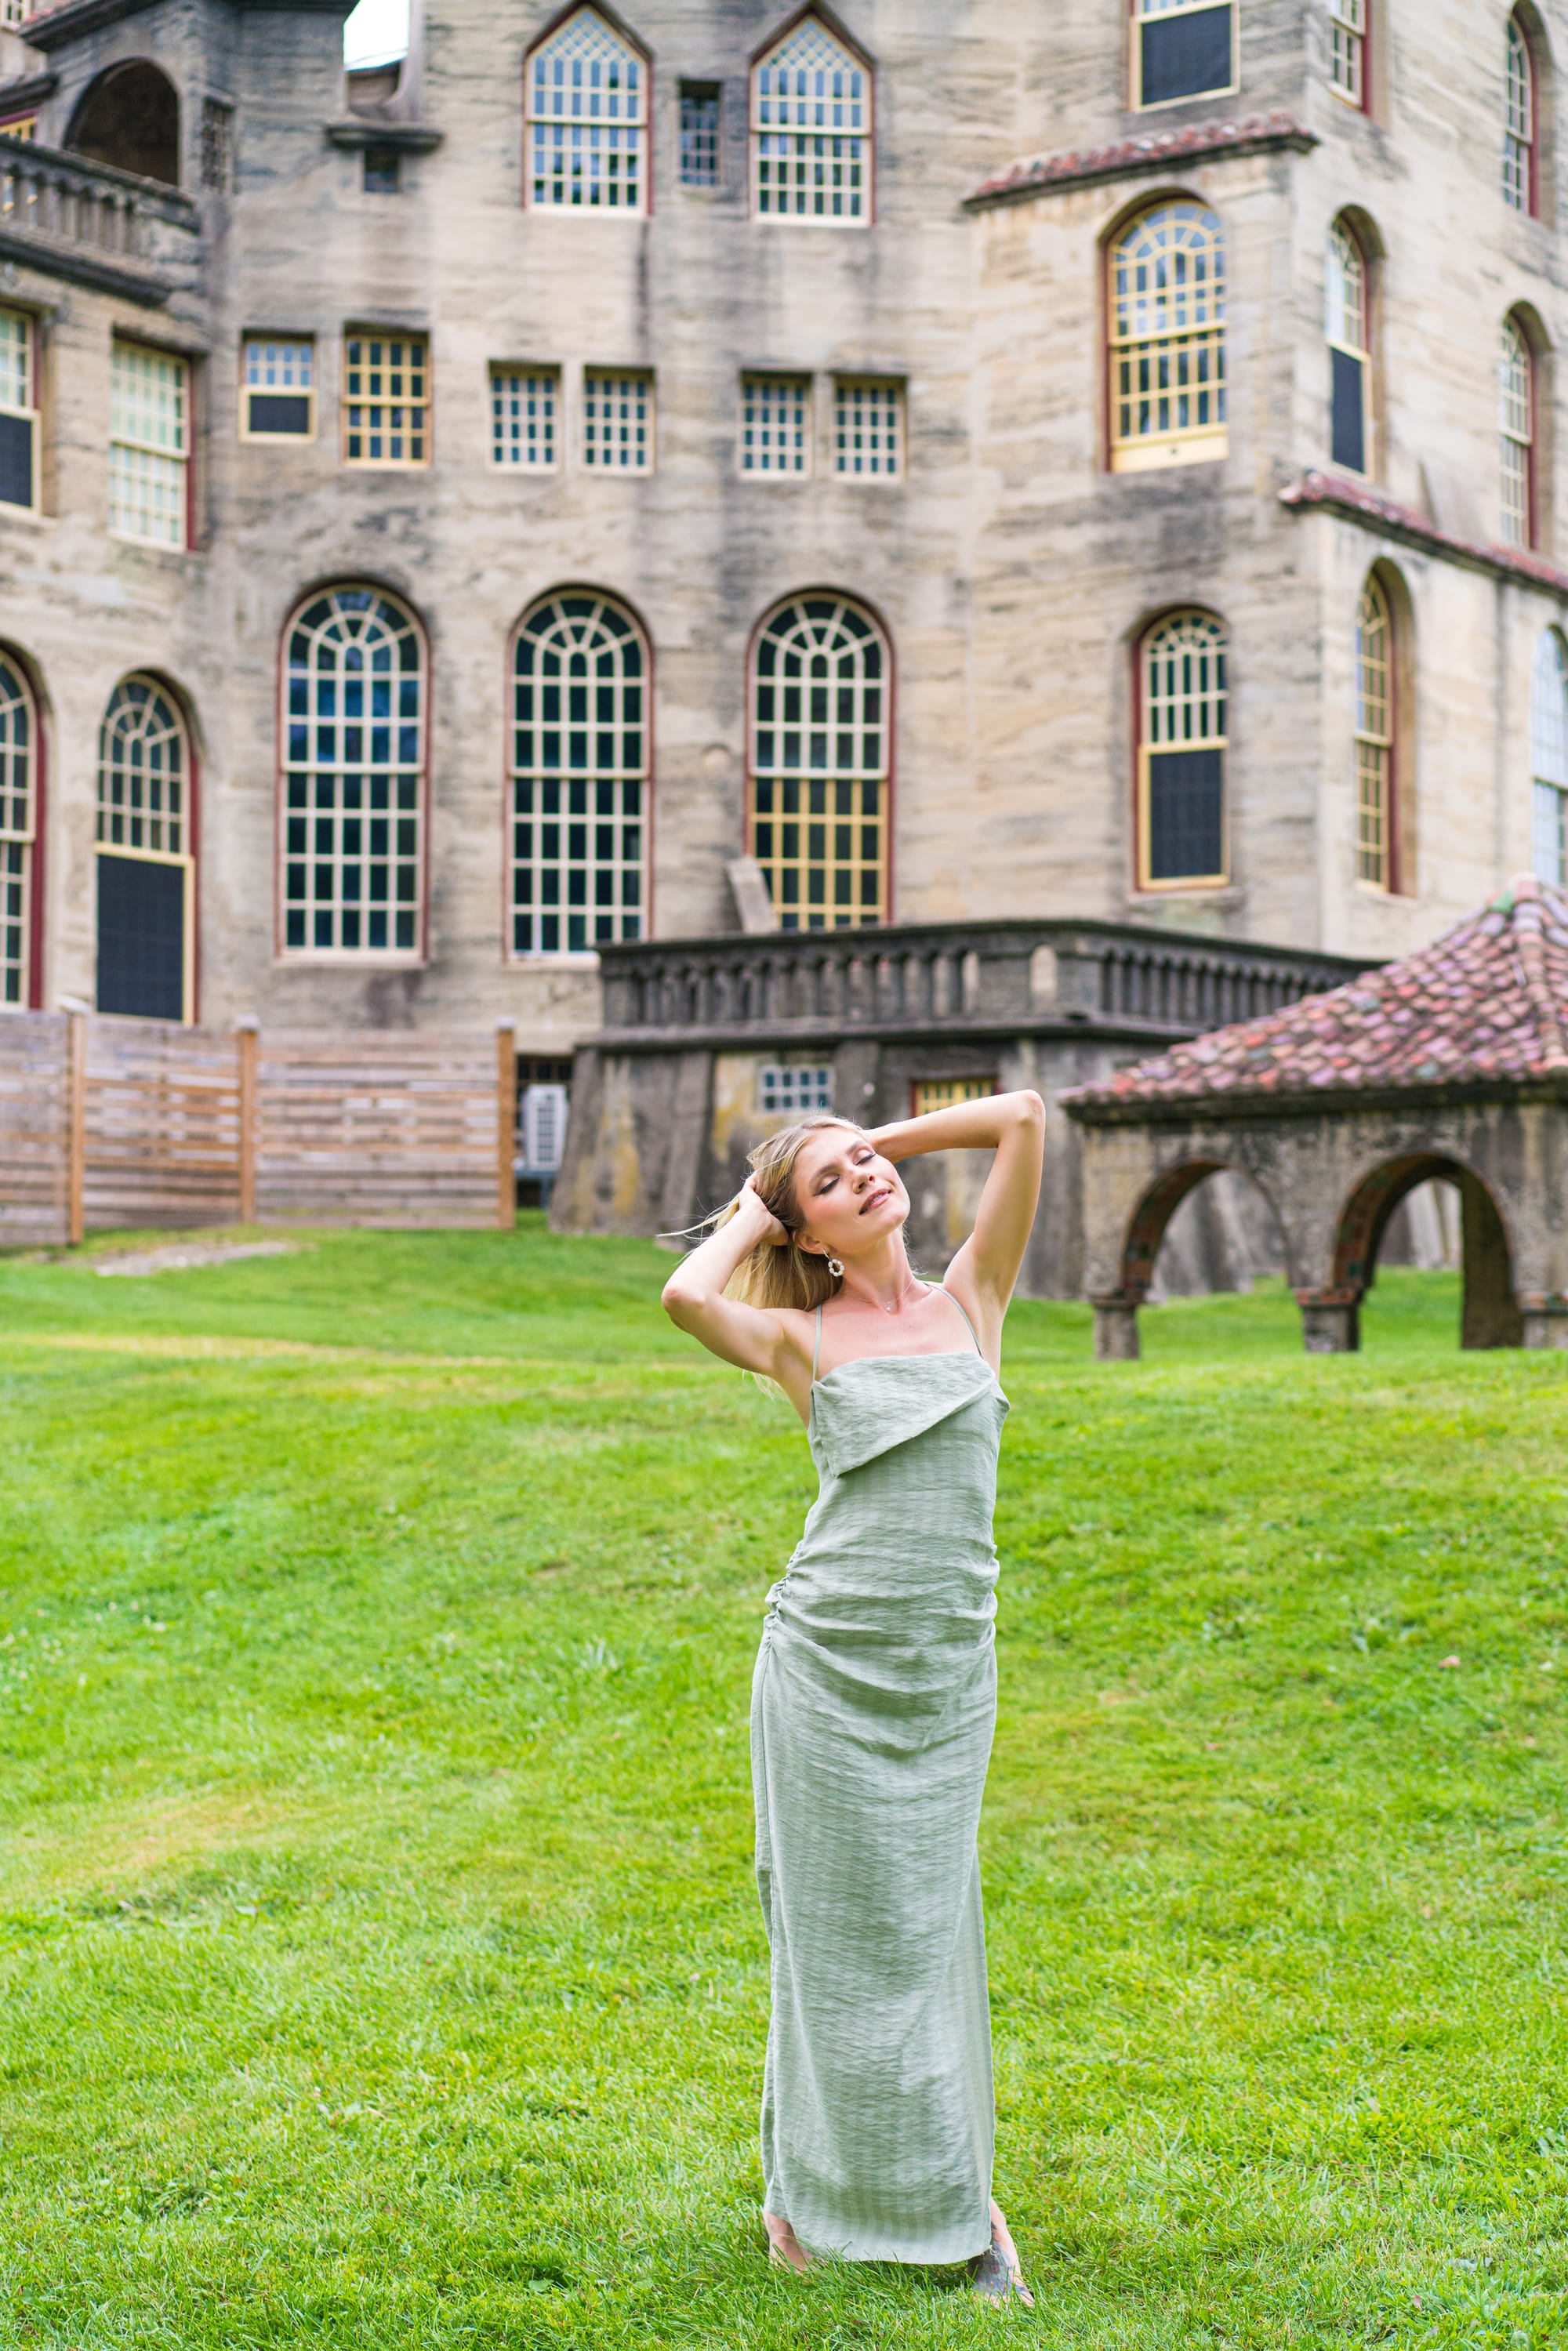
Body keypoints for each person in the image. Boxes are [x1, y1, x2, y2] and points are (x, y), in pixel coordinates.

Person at [661, 1091, 1045, 2306]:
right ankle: (801, 2195)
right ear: (806, 1235)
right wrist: (761, 1200)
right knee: (824, 1938)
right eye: (836, 1184)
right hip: (826, 1664)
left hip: (943, 1672)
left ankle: (959, 2198)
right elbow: (684, 1297)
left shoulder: (973, 1297)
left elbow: (1026, 1117)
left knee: (932, 1935)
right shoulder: (802, 1341)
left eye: (871, 1164)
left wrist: (867, 1137)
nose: (869, 1178)